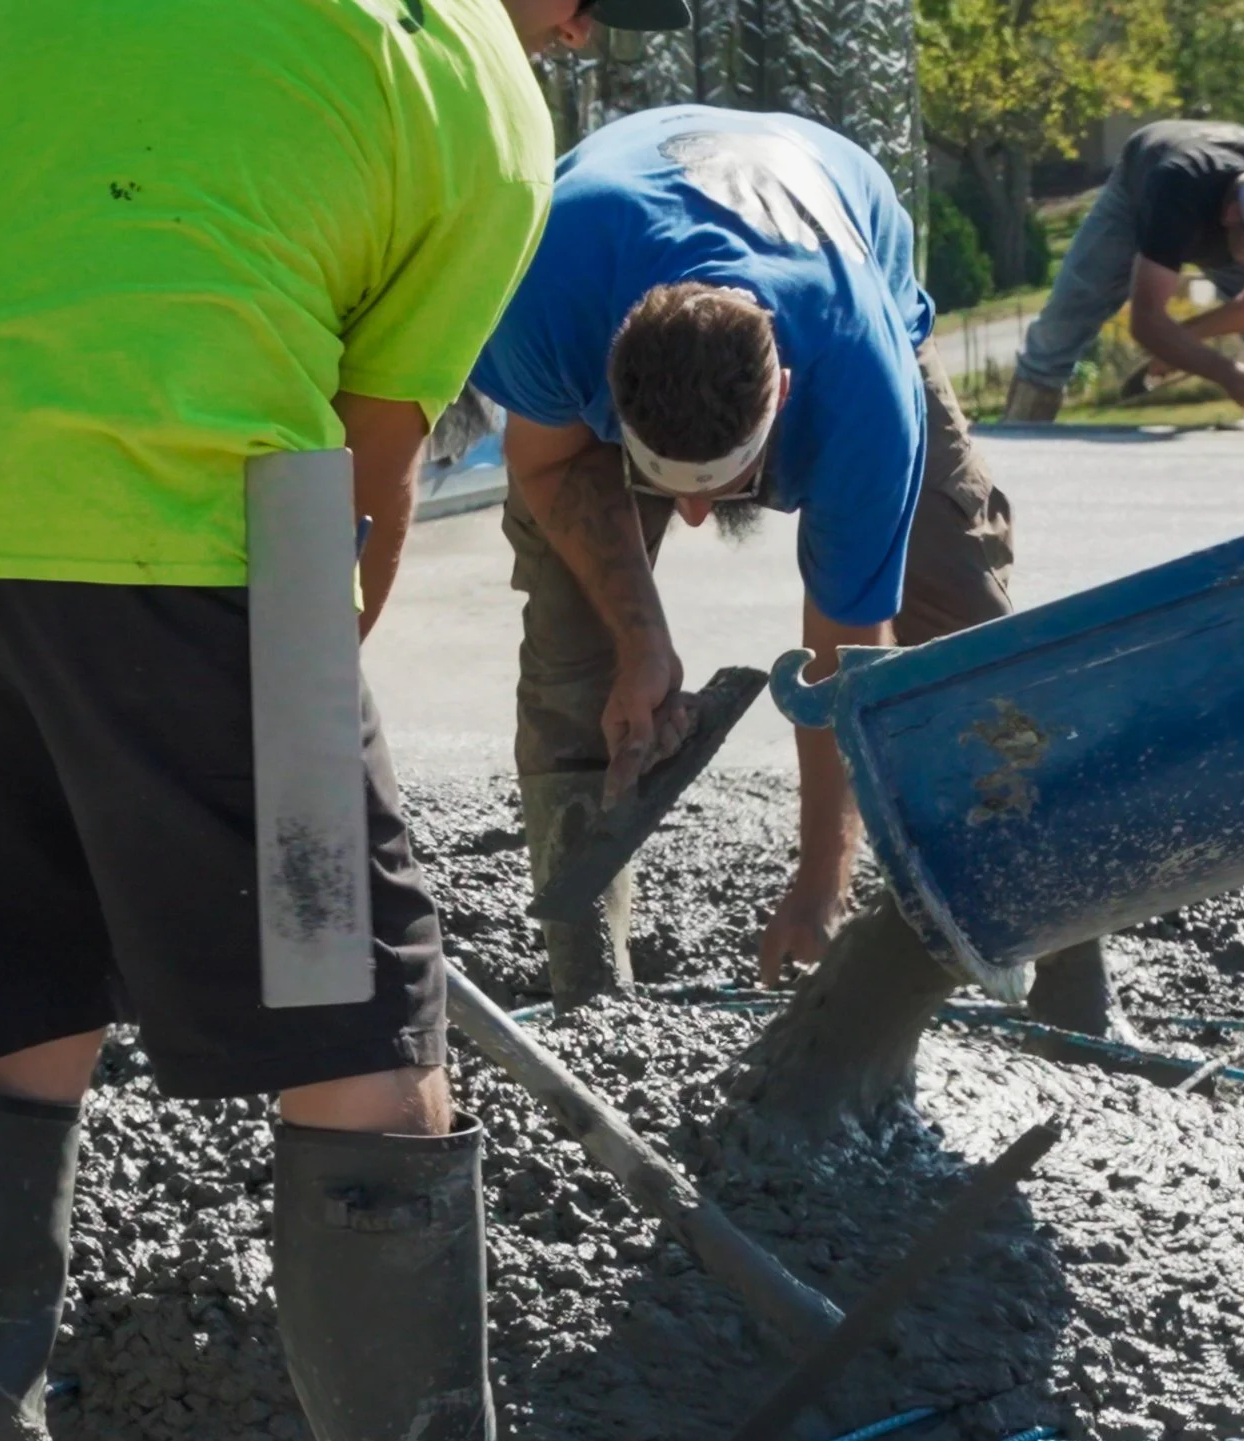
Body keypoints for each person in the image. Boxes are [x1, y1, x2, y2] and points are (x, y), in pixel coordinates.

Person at [0, 0, 708, 1441]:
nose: (568, 41)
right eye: (580, 19)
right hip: (176, 507)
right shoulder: (472, 94)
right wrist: (301, 698)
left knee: (6, 974)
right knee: (352, 983)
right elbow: (372, 443)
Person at [470, 106, 1126, 1034]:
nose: (695, 515)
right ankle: (590, 995)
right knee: (575, 655)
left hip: (846, 276)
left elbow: (845, 659)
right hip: (607, 238)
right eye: (665, 487)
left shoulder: (862, 389)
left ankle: (1071, 986)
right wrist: (641, 641)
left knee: (965, 637)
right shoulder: (544, 301)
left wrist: (821, 884)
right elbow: (544, 464)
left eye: (723, 484)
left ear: (780, 398)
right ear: (607, 382)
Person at [1005, 120, 1244, 425]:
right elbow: (1147, 321)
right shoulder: (1176, 189)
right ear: (1233, 214)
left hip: (1224, 200)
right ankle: (1016, 445)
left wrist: (1182, 343)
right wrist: (1228, 373)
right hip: (1145, 181)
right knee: (1065, 321)